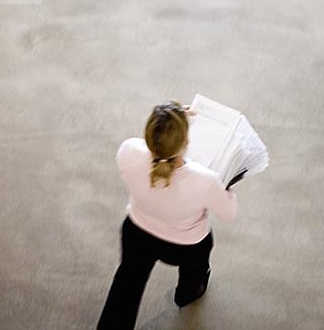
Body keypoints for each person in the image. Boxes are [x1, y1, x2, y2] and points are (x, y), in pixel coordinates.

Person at [97, 100, 238, 330]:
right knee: (201, 254)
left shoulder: (129, 152)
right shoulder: (206, 180)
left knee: (127, 283)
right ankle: (188, 292)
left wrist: (168, 124)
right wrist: (227, 188)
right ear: (187, 141)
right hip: (185, 248)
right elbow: (228, 213)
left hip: (137, 234)